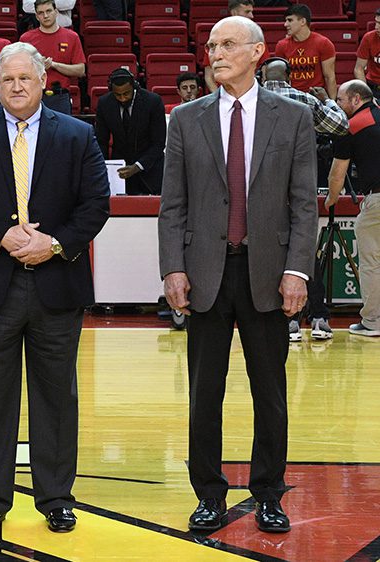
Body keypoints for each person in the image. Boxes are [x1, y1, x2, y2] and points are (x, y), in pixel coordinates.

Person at [0, 42, 110, 535]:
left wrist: (53, 244)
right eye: (8, 78)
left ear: (43, 82)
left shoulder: (78, 135)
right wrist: (2, 235)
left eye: (26, 79)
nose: (16, 86)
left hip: (57, 283)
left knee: (56, 397)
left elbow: (96, 203)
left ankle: (55, 497)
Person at [159, 16, 318, 534]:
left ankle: (269, 492)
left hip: (269, 273)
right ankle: (208, 494)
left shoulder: (293, 117)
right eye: (211, 45)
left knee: (269, 391)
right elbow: (173, 205)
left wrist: (297, 269)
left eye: (227, 44)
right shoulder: (185, 118)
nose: (216, 52)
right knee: (204, 392)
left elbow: (303, 204)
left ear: (257, 52)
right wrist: (173, 268)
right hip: (205, 272)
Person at [259, 57, 349, 341]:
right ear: (289, 76)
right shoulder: (303, 101)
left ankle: (288, 320)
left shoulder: (251, 102)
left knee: (270, 256)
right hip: (300, 186)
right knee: (304, 253)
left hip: (260, 190)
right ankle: (320, 317)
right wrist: (329, 101)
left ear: (263, 76)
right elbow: (340, 125)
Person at [326, 80, 380, 337]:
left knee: (371, 263)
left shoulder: (352, 127)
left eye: (341, 100)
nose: (338, 105)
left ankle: (372, 322)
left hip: (377, 201)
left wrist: (330, 200)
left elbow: (338, 175)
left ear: (356, 99)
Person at [94, 68, 167, 195]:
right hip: (121, 171)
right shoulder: (104, 103)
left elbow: (159, 143)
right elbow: (101, 141)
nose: (122, 98)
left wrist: (138, 166)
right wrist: (105, 168)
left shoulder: (153, 102)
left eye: (126, 94)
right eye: (117, 95)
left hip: (151, 170)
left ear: (134, 87)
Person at [19, 0, 86, 114]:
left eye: (49, 11)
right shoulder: (26, 38)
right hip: (34, 97)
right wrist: (36, 65)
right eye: (41, 13)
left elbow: (80, 70)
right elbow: (19, 71)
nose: (45, 16)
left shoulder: (72, 37)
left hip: (61, 97)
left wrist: (54, 65)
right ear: (36, 16)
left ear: (56, 12)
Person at [275, 4, 337, 99]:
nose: (285, 24)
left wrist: (332, 104)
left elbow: (329, 77)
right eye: (286, 20)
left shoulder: (324, 43)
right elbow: (280, 79)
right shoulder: (281, 45)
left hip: (315, 96)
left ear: (303, 21)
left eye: (290, 20)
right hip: (292, 97)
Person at [204, 0, 265, 93]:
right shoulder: (217, 37)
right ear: (234, 12)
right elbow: (209, 76)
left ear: (257, 51)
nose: (217, 55)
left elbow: (264, 70)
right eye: (247, 12)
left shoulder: (255, 39)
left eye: (228, 44)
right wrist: (215, 100)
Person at [354, 9, 380, 98]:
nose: (376, 27)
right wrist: (366, 93)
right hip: (373, 88)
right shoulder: (369, 38)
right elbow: (359, 69)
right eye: (376, 22)